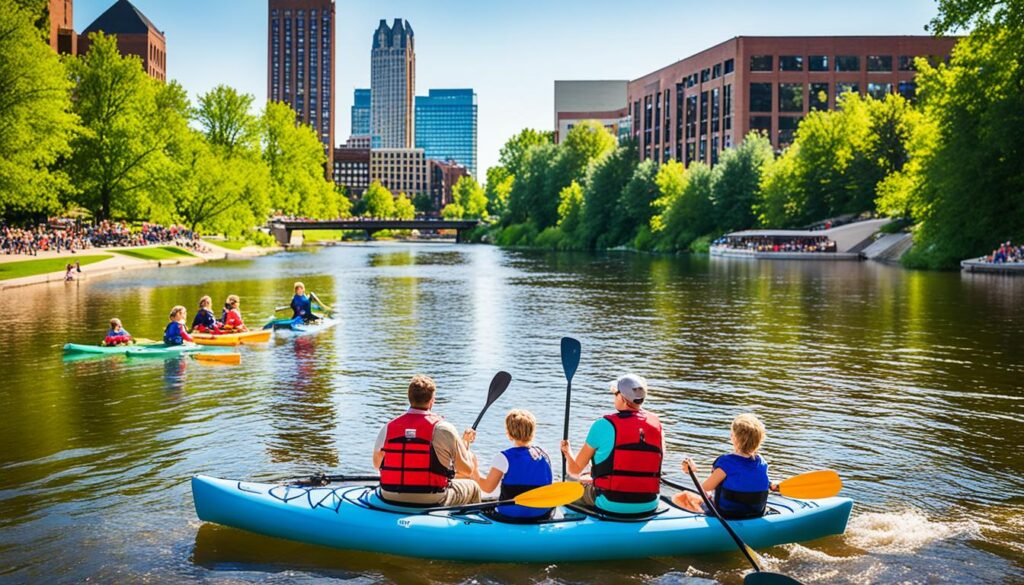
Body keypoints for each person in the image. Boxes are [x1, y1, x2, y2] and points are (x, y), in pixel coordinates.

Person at [560, 374, 664, 516]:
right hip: (649, 503)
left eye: (615, 394)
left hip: (609, 502)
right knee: (588, 476)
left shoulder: (602, 425)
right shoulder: (657, 425)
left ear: (622, 398)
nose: (613, 397)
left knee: (570, 484)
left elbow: (574, 470)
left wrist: (567, 452)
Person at [372, 375, 481, 507]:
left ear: (409, 398)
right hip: (432, 497)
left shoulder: (388, 428)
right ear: (432, 401)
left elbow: (377, 465)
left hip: (389, 493)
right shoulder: (444, 429)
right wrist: (466, 446)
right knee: (473, 487)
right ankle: (470, 525)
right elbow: (467, 470)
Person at [677, 413, 775, 520]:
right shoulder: (762, 463)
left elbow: (704, 488)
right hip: (755, 513)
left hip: (725, 514)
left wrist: (692, 471)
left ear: (735, 439)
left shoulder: (726, 463)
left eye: (732, 434)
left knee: (683, 496)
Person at [467, 409, 553, 521]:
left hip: (511, 515)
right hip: (542, 513)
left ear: (509, 434)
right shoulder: (544, 455)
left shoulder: (503, 457)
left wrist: (474, 470)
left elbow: (487, 488)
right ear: (532, 432)